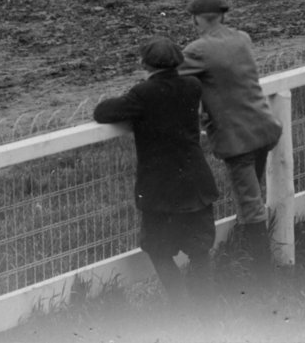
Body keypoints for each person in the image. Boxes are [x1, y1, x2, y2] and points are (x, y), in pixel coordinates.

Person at [92, 36, 219, 305]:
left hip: (160, 189)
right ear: (178, 61)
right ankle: (206, 309)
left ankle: (180, 305)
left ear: (145, 64)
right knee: (199, 249)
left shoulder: (142, 94)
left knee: (158, 249)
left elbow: (102, 112)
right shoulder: (192, 86)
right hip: (195, 182)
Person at [179, 0, 281, 287]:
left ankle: (263, 280)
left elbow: (169, 77)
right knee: (254, 197)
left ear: (196, 19)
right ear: (223, 16)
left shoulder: (197, 50)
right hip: (264, 130)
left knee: (250, 205)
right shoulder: (243, 39)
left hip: (237, 141)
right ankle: (250, 258)